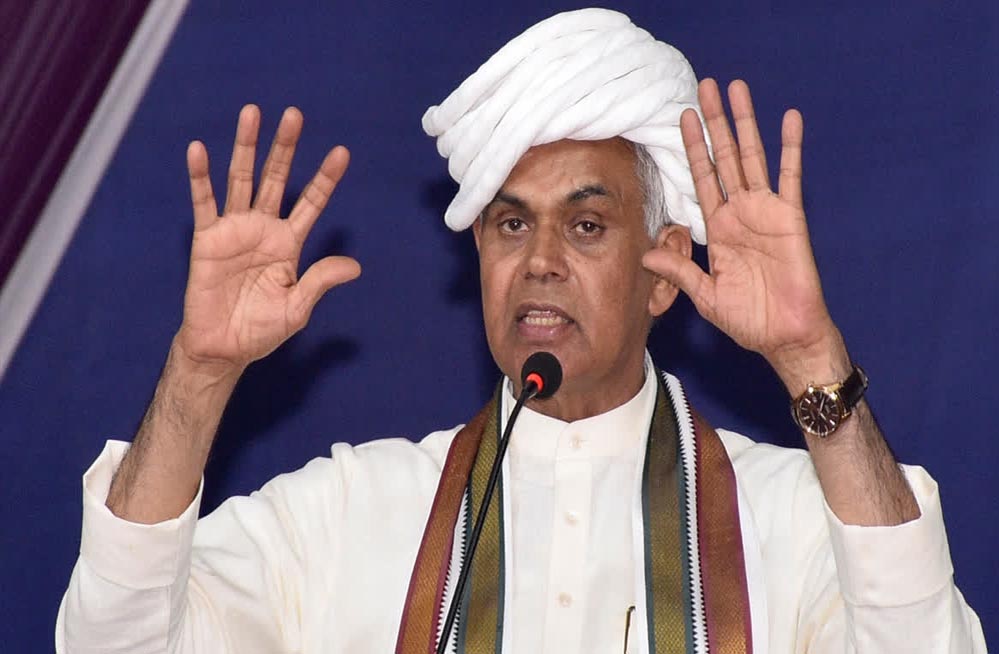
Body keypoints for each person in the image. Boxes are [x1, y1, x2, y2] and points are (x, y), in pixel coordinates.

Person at [57, 9, 985, 654]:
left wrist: (809, 358)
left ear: (664, 271)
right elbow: (113, 641)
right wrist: (199, 373)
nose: (538, 260)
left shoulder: (790, 517)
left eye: (585, 225)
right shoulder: (350, 512)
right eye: (510, 223)